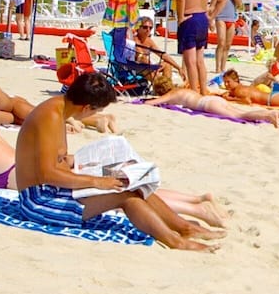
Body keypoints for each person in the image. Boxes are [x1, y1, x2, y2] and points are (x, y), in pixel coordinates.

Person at [12, 73, 221, 251]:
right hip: (39, 201)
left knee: (134, 184)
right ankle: (175, 241)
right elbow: (48, 173)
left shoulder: (59, 110)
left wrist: (101, 169)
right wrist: (98, 182)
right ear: (86, 107)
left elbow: (58, 161)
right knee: (126, 196)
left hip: (54, 188)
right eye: (96, 111)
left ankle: (185, 228)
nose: (96, 115)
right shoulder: (51, 116)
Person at [173, 0, 228, 94]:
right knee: (199, 59)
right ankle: (203, 89)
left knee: (190, 60)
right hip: (202, 19)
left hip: (189, 19)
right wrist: (211, 16)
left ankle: (193, 91)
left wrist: (180, 17)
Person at [144, 87, 279, 128]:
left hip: (207, 104)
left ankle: (270, 116)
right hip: (212, 99)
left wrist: (144, 101)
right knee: (243, 112)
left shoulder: (172, 94)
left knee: (240, 116)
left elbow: (153, 103)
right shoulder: (182, 89)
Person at [214, 0, 245, 75]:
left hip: (231, 18)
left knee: (227, 45)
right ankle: (217, 67)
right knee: (221, 42)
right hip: (220, 17)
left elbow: (239, 4)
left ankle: (223, 67)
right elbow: (213, 4)